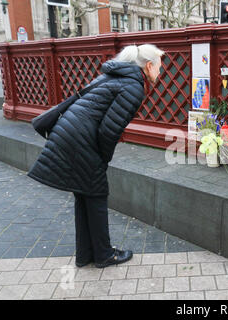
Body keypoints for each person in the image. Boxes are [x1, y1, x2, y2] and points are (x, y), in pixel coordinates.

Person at [27, 44, 165, 268]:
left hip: (70, 135)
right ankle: (103, 255)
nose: (160, 72)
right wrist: (103, 159)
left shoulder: (114, 76)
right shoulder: (132, 87)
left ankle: (85, 255)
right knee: (97, 194)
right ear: (148, 66)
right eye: (159, 67)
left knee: (84, 194)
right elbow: (109, 131)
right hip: (81, 141)